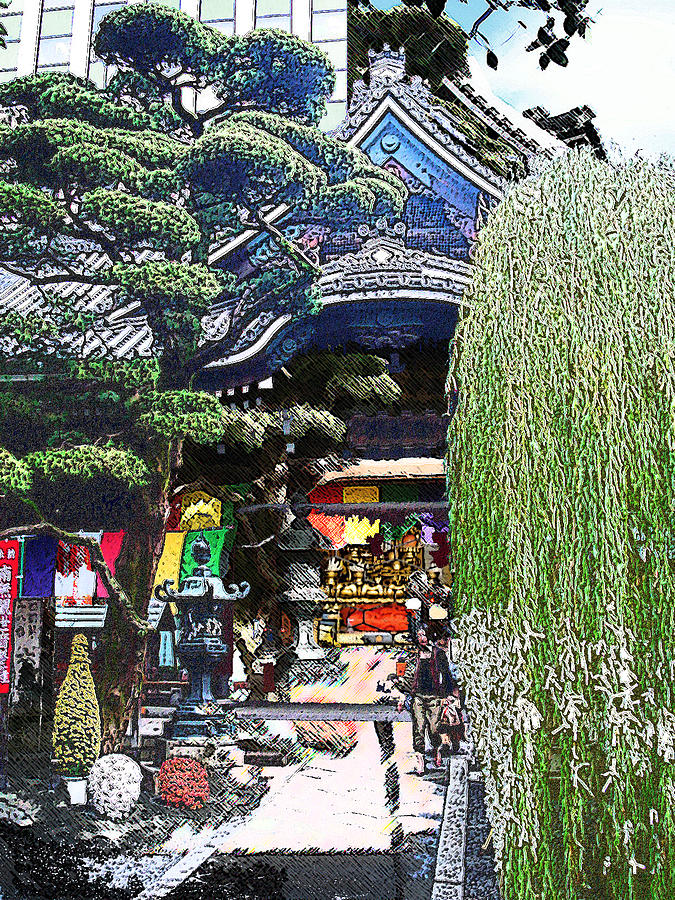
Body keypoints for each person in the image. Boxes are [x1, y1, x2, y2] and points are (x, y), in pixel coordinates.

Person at [396, 627, 454, 775]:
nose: (422, 638)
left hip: (435, 696)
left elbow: (446, 675)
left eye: (425, 634)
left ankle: (436, 752)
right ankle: (420, 762)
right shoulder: (411, 655)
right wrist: (402, 693)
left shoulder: (438, 654)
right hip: (418, 696)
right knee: (419, 728)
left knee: (435, 728)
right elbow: (402, 676)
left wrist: (447, 694)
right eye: (420, 635)